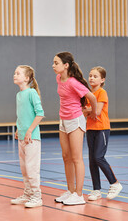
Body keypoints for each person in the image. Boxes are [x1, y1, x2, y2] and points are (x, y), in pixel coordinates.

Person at [52, 51, 97, 205]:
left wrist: (94, 112)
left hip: (75, 121)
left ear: (66, 65)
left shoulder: (73, 82)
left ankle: (79, 195)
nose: (53, 65)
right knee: (66, 156)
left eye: (56, 63)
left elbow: (91, 97)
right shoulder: (59, 78)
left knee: (77, 158)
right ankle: (70, 191)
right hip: (63, 121)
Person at [83, 66, 123, 201]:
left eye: (95, 76)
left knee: (99, 157)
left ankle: (115, 183)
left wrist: (89, 110)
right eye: (90, 76)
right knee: (92, 160)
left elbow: (97, 112)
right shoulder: (87, 94)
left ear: (102, 79)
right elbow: (84, 112)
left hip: (102, 129)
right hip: (90, 129)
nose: (91, 78)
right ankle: (96, 190)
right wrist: (89, 110)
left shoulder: (101, 92)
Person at [11, 65, 45, 208]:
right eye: (15, 73)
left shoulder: (31, 93)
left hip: (32, 138)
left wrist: (30, 131)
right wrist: (19, 129)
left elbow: (40, 114)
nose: (14, 75)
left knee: (32, 169)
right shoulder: (19, 95)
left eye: (18, 73)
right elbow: (22, 115)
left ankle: (37, 197)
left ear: (26, 78)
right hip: (22, 138)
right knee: (24, 169)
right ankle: (28, 194)